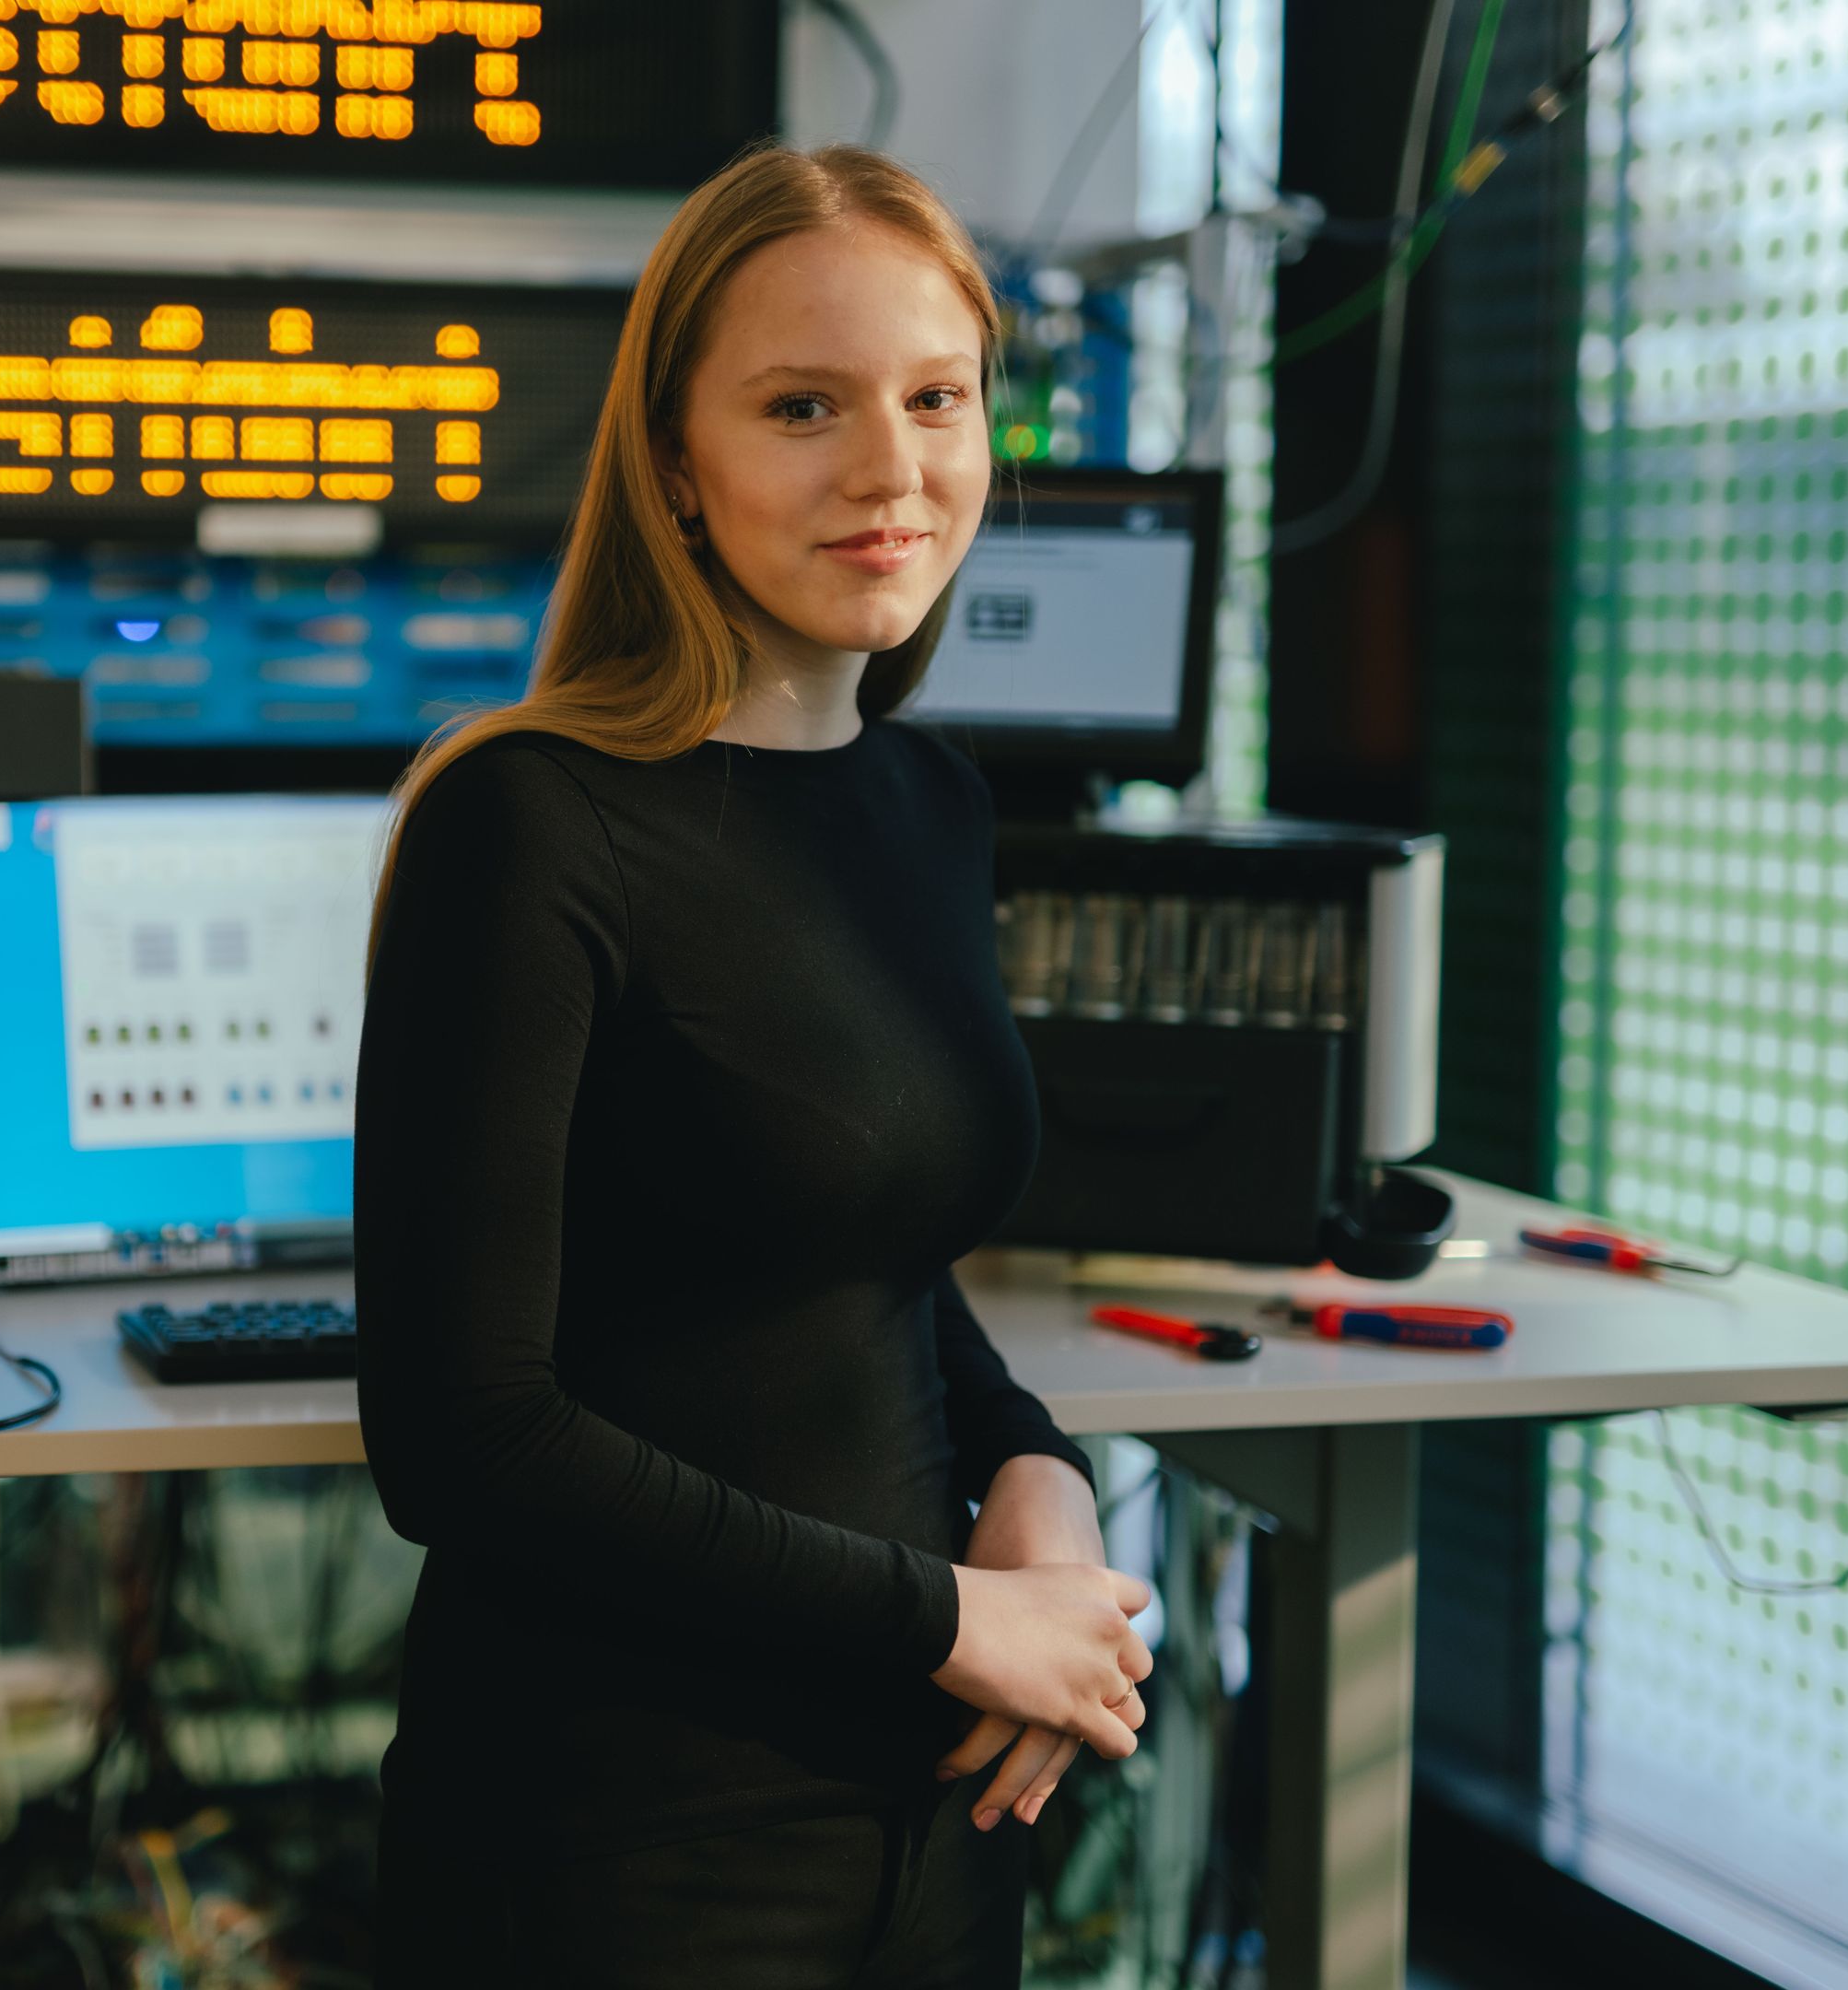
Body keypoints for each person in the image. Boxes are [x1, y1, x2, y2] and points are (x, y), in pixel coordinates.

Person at [352, 143, 1153, 1988]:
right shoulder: (528, 821)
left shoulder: (931, 804)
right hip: (622, 1849)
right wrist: (953, 1617)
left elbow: (866, 1257)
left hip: (939, 1820)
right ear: (673, 466)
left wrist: (1041, 1475)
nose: (894, 470)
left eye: (935, 400)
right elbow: (464, 1438)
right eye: (807, 407)